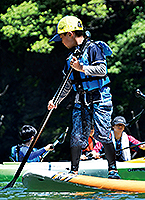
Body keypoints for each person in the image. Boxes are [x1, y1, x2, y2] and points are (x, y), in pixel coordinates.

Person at [47, 16, 120, 178]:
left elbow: (102, 70)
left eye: (62, 37)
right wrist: (56, 100)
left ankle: (113, 169)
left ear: (70, 34)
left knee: (102, 132)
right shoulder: (70, 58)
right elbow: (67, 85)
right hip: (81, 99)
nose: (61, 41)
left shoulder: (94, 48)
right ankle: (74, 171)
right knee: (77, 135)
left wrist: (81, 67)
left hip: (100, 97)